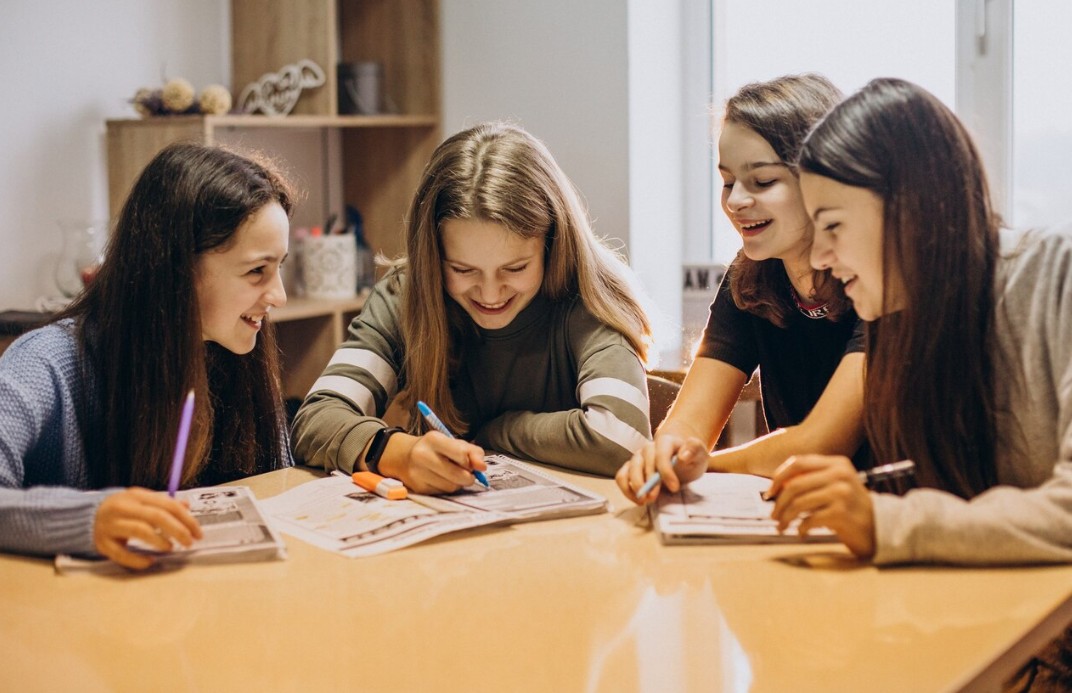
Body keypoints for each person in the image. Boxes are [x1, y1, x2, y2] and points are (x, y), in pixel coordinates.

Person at [767, 77, 1072, 569]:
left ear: (911, 208)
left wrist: (886, 521)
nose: (820, 257)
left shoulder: (1058, 273)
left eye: (834, 226)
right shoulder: (905, 315)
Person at [292, 122, 653, 493]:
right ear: (433, 257)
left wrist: (498, 430)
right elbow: (316, 419)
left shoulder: (586, 296)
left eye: (515, 268)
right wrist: (398, 452)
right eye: (462, 270)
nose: (491, 293)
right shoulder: (407, 295)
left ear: (553, 244)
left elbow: (621, 437)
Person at [0, 142, 295, 570]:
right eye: (256, 271)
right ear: (175, 271)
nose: (279, 297)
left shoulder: (234, 352)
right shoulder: (45, 362)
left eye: (280, 266)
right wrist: (88, 520)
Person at [617, 74, 866, 505]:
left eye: (762, 182)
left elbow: (822, 444)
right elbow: (688, 424)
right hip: (801, 512)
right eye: (728, 181)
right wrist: (668, 452)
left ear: (823, 179)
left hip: (888, 517)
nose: (734, 202)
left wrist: (703, 464)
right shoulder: (751, 274)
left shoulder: (877, 281)